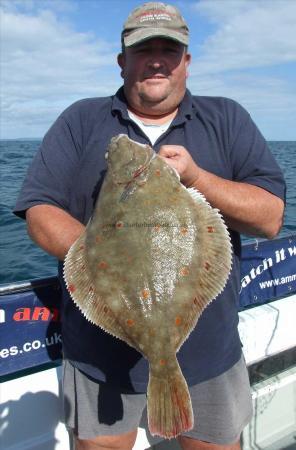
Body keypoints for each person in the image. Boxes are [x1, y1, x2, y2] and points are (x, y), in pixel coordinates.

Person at [14, 2, 285, 450]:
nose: (156, 59)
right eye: (143, 50)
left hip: (210, 358)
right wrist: (101, 263)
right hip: (98, 359)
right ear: (122, 62)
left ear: (187, 62)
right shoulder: (81, 119)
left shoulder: (228, 118)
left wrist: (197, 178)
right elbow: (39, 209)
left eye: (169, 49)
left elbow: (271, 218)